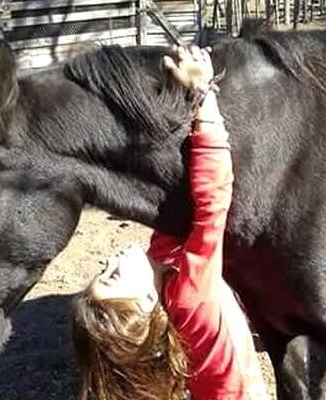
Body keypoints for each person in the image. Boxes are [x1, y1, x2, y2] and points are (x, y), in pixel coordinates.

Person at [71, 45, 269, 400]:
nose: (110, 260)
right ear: (148, 301)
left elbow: (171, 215)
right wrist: (202, 94)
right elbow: (212, 205)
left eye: (102, 270)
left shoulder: (161, 258)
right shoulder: (189, 295)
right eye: (113, 276)